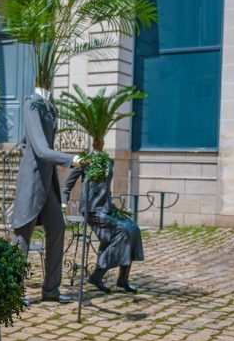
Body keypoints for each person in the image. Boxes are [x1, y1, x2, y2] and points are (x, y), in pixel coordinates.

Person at [12, 87, 81, 304]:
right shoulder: (32, 104)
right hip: (32, 182)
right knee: (22, 235)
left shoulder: (49, 107)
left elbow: (25, 142)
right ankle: (12, 292)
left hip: (48, 182)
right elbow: (41, 150)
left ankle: (51, 290)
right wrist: (73, 159)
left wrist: (29, 154)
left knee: (57, 228)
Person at [62, 157, 144, 293]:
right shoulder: (85, 161)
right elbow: (67, 185)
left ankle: (123, 279)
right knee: (123, 231)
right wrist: (64, 203)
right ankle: (97, 275)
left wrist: (111, 202)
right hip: (92, 210)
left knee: (133, 228)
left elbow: (106, 187)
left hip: (107, 208)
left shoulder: (108, 161)